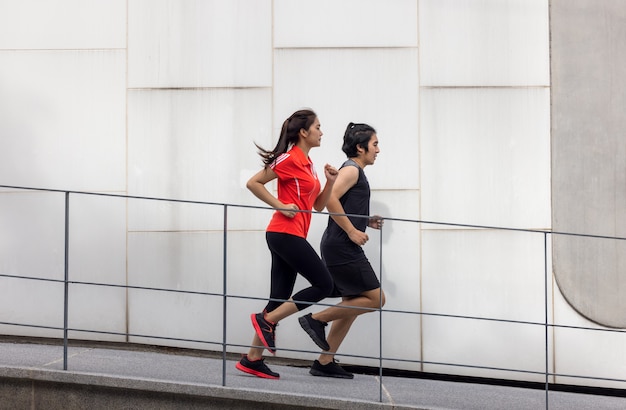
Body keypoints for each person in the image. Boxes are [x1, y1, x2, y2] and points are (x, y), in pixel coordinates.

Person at [235, 109, 338, 380]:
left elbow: (316, 206)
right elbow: (253, 183)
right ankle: (267, 321)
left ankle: (252, 358)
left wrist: (329, 183)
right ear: (304, 132)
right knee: (324, 285)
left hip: (293, 235)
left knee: (278, 298)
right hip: (283, 233)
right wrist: (280, 204)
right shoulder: (289, 158)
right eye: (318, 126)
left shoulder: (307, 162)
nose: (321, 131)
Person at [297, 122, 385, 379]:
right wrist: (351, 230)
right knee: (376, 299)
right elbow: (330, 200)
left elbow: (342, 203)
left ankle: (325, 361)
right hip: (342, 246)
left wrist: (363, 220)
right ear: (360, 147)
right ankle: (316, 319)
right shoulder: (351, 170)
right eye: (375, 144)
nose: (378, 150)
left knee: (351, 303)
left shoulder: (354, 171)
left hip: (339, 245)